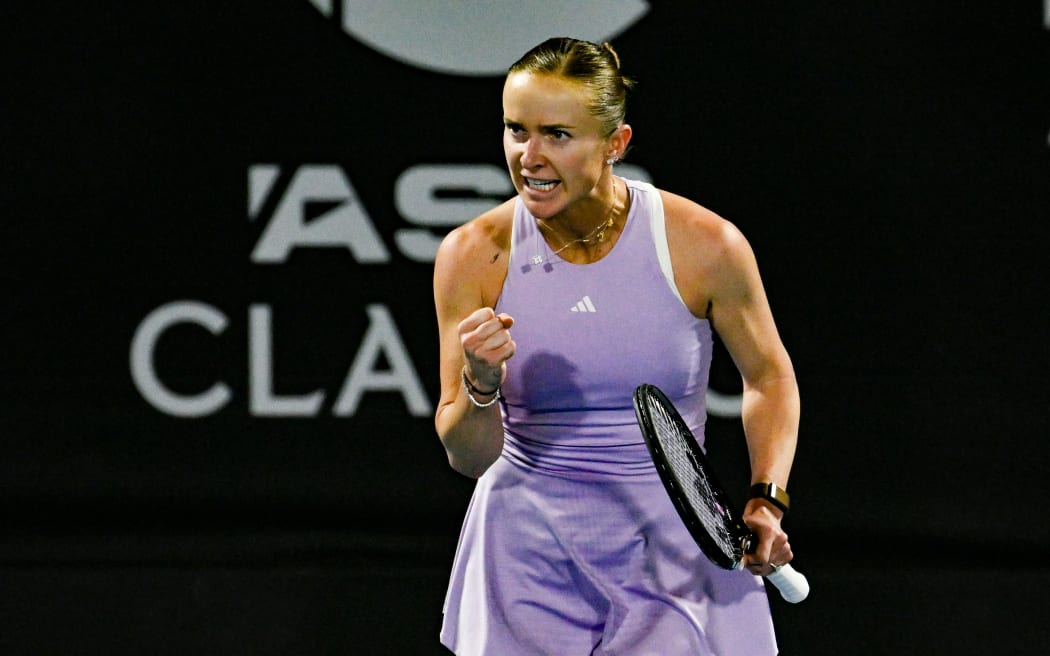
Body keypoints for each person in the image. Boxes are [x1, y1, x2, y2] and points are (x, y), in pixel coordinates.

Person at [432, 37, 799, 655]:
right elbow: (468, 458)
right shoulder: (474, 254)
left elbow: (770, 379)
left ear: (615, 144)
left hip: (674, 542)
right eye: (515, 130)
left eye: (557, 135)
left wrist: (766, 501)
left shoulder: (705, 245)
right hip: (525, 552)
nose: (530, 156)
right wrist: (481, 384)